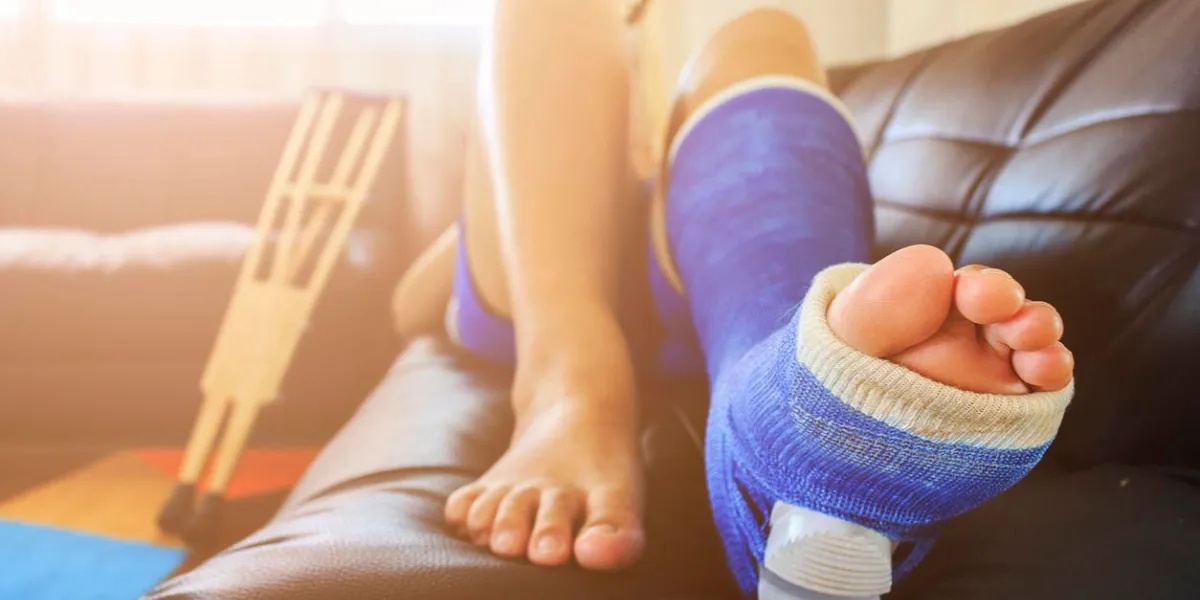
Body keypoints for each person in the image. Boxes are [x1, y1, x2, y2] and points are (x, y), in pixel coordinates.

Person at [392, 0, 1075, 596]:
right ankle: (587, 384)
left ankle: (800, 395)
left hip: (694, 264)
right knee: (589, 10)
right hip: (592, 286)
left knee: (762, 29)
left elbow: (415, 304)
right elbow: (414, 301)